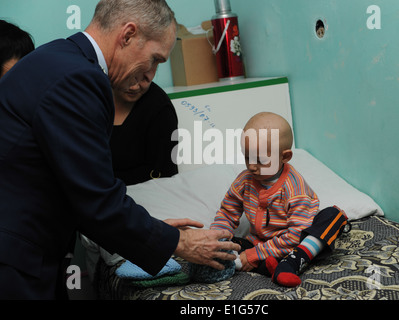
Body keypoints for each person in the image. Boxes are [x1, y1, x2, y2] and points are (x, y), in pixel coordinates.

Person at [0, 0, 239, 299]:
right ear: (127, 35)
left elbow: (76, 192)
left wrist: (153, 230)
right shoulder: (80, 79)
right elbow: (97, 199)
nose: (152, 74)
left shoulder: (55, 57)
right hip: (15, 259)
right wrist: (180, 243)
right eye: (154, 59)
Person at [210, 112, 349, 286]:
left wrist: (253, 255)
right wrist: (217, 238)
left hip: (297, 243)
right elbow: (227, 213)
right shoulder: (244, 181)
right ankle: (269, 267)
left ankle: (291, 263)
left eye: (260, 160)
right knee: (230, 245)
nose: (252, 166)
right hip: (261, 244)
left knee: (332, 215)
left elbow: (296, 235)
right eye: (247, 157)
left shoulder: (294, 188)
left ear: (285, 157)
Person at [110, 80, 178, 185]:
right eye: (132, 74)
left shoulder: (159, 107)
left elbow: (164, 174)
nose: (135, 87)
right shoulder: (91, 94)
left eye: (146, 74)